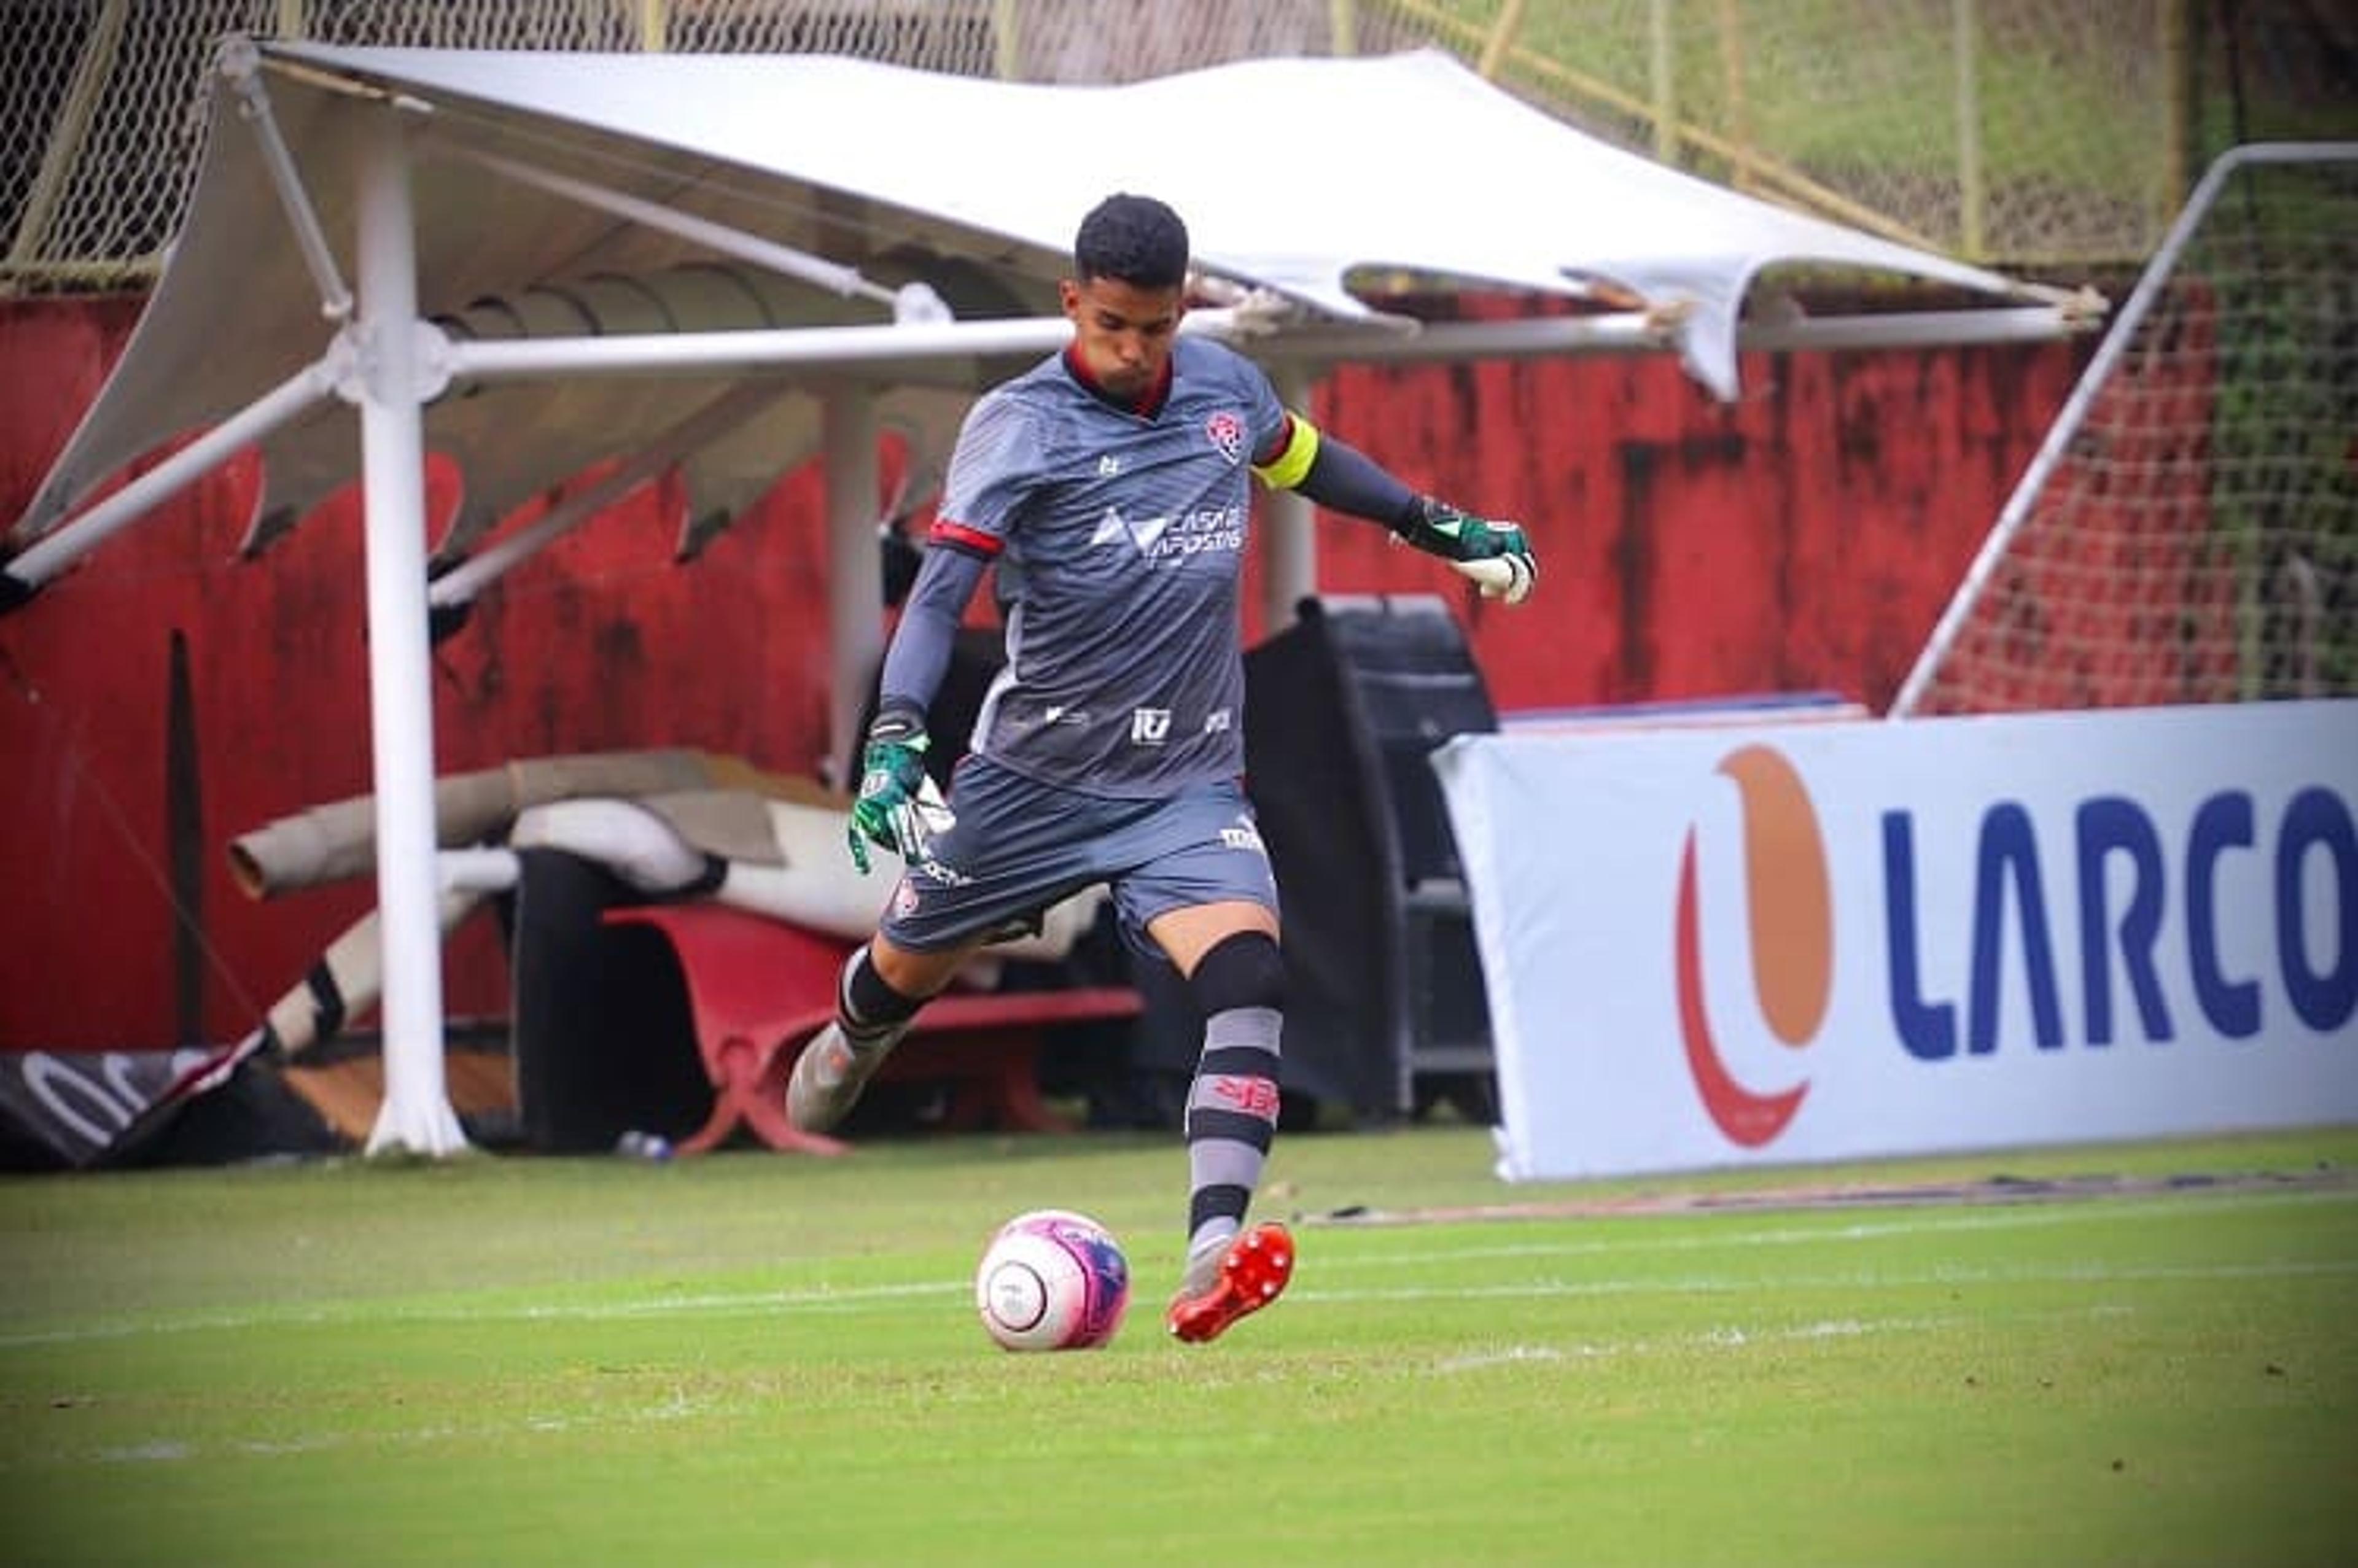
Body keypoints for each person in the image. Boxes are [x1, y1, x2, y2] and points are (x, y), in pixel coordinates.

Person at [786, 193, 1538, 1344]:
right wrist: (896, 732)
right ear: (1071, 302)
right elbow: (941, 595)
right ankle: (859, 1027)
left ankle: (1211, 1251)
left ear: (1185, 307)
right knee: (902, 971)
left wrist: (1431, 525)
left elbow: (1310, 460)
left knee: (1249, 978)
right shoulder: (1016, 426)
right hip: (1031, 779)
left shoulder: (1227, 392)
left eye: (1158, 325)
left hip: (1187, 782)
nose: (1136, 350)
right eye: (1114, 326)